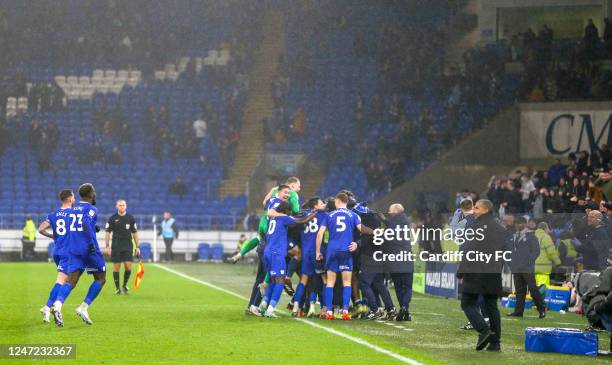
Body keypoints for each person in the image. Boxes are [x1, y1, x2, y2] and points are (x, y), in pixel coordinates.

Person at [51, 183, 106, 327]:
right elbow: (85, 222)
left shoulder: (72, 210)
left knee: (71, 281)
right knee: (101, 278)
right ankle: (83, 307)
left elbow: (76, 226)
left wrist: (94, 227)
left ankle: (57, 306)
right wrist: (90, 244)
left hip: (74, 250)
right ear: (91, 194)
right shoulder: (92, 209)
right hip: (89, 250)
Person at [457, 199, 507, 352]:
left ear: (485, 210)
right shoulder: (500, 227)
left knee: (467, 303)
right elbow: (506, 251)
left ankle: (484, 331)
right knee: (492, 306)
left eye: (476, 207)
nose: (473, 210)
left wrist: (461, 271)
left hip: (476, 272)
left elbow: (469, 250)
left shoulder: (476, 227)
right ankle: (495, 343)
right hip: (493, 272)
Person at [315, 192, 372, 320]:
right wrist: (374, 233)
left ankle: (329, 312)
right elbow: (362, 230)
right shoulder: (354, 215)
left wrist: (318, 252)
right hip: (346, 251)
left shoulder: (329, 215)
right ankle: (345, 311)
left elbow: (320, 234)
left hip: (332, 251)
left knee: (330, 282)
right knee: (347, 282)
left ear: (339, 201)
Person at [258, 201, 317, 317]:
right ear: (286, 211)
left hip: (268, 251)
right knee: (280, 281)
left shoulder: (272, 218)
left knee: (274, 280)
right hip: (277, 253)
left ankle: (263, 306)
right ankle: (270, 310)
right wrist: (315, 213)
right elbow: (302, 221)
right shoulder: (284, 218)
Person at [37, 189, 75, 323]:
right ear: (70, 199)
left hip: (57, 251)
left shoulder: (53, 214)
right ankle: (47, 307)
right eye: (73, 197)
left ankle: (47, 308)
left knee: (62, 279)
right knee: (63, 281)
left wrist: (53, 236)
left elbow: (41, 229)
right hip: (68, 252)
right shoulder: (73, 214)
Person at [291, 197, 328, 317]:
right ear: (315, 206)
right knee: (322, 280)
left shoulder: (304, 215)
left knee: (304, 280)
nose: (324, 204)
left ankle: (295, 307)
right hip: (318, 251)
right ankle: (323, 308)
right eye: (322, 203)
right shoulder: (322, 215)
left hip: (305, 252)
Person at [506, 216, 546, 318]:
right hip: (517, 268)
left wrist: (528, 262)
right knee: (519, 291)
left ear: (524, 224)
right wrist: (511, 263)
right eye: (516, 223)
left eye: (520, 223)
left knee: (533, 290)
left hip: (527, 268)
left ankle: (541, 310)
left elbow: (536, 251)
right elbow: (509, 251)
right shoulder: (513, 236)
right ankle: (518, 312)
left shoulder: (531, 236)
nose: (518, 225)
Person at [383, 203, 413, 321]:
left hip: (398, 258)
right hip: (403, 259)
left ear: (396, 211)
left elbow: (393, 229)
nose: (388, 213)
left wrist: (384, 219)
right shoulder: (402, 221)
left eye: (390, 210)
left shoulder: (401, 220)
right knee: (405, 287)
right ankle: (404, 308)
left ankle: (404, 308)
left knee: (401, 287)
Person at [105, 200, 140, 295]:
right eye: (120, 205)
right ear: (117, 206)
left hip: (128, 245)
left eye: (123, 205)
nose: (122, 207)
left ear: (126, 206)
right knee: (116, 267)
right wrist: (107, 246)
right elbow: (107, 232)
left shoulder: (130, 218)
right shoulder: (112, 218)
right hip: (116, 245)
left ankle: (124, 285)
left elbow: (135, 232)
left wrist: (137, 247)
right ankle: (117, 288)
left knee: (128, 267)